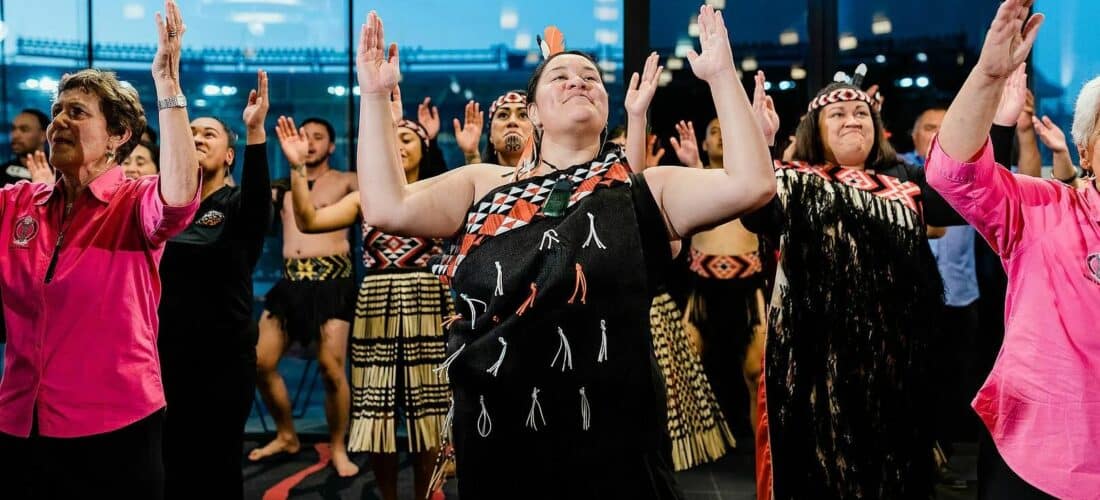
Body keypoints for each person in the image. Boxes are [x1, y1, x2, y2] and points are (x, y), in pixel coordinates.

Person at [355, 7, 775, 498]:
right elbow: (385, 206)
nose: (578, 81)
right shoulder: (484, 185)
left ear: (606, 106)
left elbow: (752, 185)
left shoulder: (643, 190)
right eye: (560, 76)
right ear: (533, 112)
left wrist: (722, 74)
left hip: (614, 445)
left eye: (590, 77)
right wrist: (373, 96)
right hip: (499, 434)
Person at [0, 2, 199, 497]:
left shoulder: (135, 202)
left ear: (118, 135)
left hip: (116, 428)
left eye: (77, 112)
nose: (59, 122)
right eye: (57, 112)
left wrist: (168, 86)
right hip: (22, 422)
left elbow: (179, 196)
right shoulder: (18, 203)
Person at [744, 68, 963, 498]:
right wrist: (763, 142)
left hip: (893, 367)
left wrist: (998, 121)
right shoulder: (791, 179)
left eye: (861, 113)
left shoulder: (905, 185)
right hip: (815, 372)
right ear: (815, 129)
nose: (852, 120)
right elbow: (756, 212)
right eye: (838, 114)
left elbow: (964, 201)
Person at [928, 2, 1099, 497]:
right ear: (1085, 150)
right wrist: (988, 75)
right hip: (1036, 460)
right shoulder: (1045, 209)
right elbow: (954, 174)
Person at [277, 113, 449, 499]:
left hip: (426, 301)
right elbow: (308, 220)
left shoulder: (440, 190)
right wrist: (297, 167)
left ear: (424, 148)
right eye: (392, 139)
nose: (399, 146)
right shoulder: (365, 197)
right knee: (377, 417)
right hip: (376, 303)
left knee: (428, 415)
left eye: (407, 139)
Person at [158, 69, 272, 499]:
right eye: (190, 133)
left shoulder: (237, 205)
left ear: (229, 156)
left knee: (217, 465)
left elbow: (259, 199)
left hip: (222, 359)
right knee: (169, 462)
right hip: (163, 354)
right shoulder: (160, 207)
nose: (198, 138)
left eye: (209, 134)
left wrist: (256, 132)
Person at [620, 51, 737, 471]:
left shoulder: (661, 190)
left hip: (729, 293)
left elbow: (662, 241)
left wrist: (638, 118)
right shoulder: (586, 196)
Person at [250, 115, 360, 476]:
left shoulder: (347, 181)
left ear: (332, 145)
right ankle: (287, 435)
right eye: (304, 136)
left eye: (318, 137)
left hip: (334, 283)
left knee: (331, 369)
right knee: (260, 362)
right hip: (290, 283)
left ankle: (338, 447)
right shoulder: (281, 186)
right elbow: (249, 205)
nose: (310, 142)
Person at [669, 110, 770, 444]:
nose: (723, 135)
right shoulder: (693, 179)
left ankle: (763, 459)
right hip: (702, 290)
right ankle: (682, 455)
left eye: (727, 128)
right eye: (714, 130)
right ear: (703, 142)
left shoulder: (756, 179)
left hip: (749, 290)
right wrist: (694, 168)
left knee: (757, 373)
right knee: (683, 370)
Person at [2, 108, 49, 185]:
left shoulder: (60, 172)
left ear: (43, 135)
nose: (15, 136)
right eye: (13, 129)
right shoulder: (3, 173)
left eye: (24, 130)